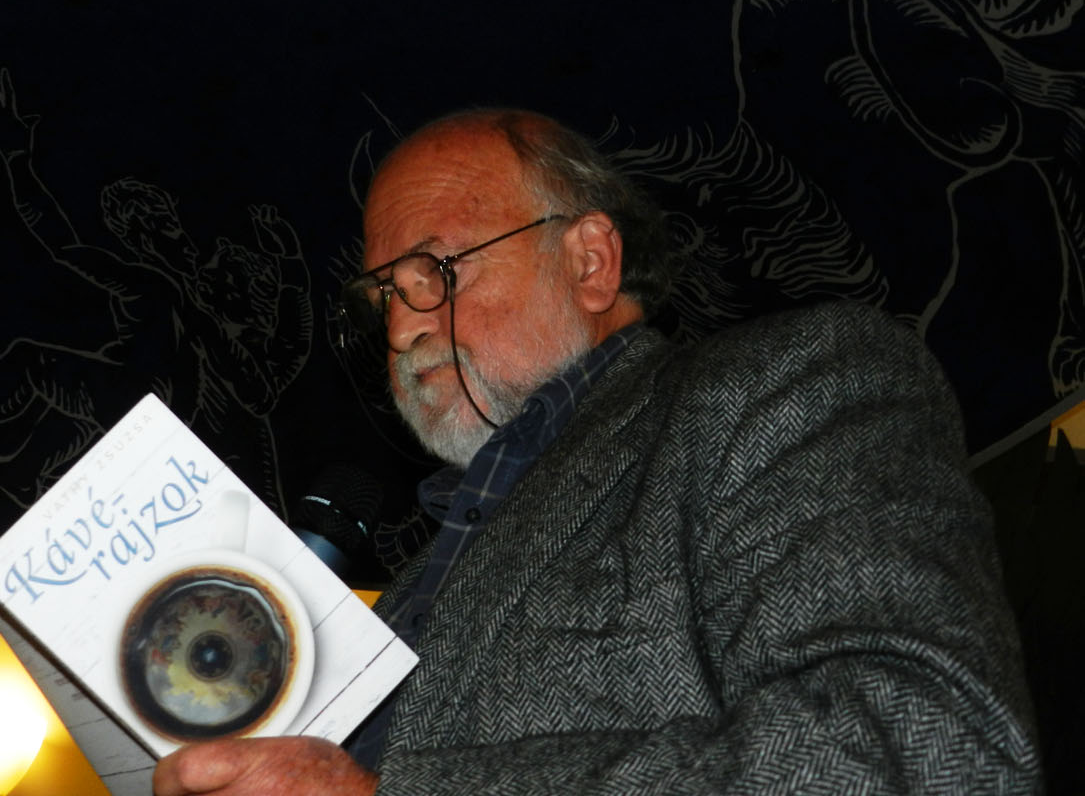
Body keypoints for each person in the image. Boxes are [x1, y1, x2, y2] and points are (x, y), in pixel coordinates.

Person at [153, 108, 1041, 795]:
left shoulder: (785, 383)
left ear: (589, 262)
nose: (402, 328)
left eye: (436, 273)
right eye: (384, 295)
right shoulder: (409, 582)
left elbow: (923, 744)